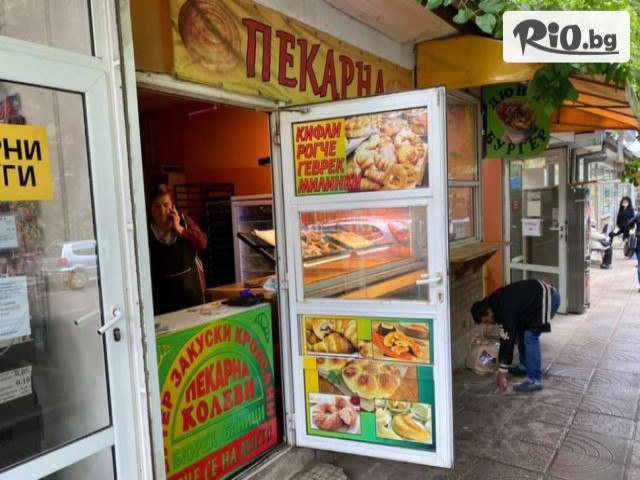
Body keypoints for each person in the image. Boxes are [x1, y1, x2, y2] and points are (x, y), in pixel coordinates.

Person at [470, 279, 561, 392]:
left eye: (486, 321)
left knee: (530, 337)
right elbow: (507, 335)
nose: (488, 324)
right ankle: (524, 366)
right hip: (536, 299)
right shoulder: (494, 304)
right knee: (521, 332)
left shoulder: (503, 308)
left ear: (488, 312)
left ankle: (535, 380)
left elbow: (507, 340)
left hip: (547, 297)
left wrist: (502, 373)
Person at [148, 184, 208, 315]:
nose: (162, 211)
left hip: (192, 293)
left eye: (165, 205)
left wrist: (180, 230)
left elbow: (202, 243)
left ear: (172, 206)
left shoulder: (184, 221)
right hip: (164, 297)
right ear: (150, 209)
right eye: (156, 206)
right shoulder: (147, 231)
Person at [602, 196, 635, 268]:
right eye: (624, 201)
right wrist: (617, 225)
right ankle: (608, 248)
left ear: (629, 202)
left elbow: (633, 219)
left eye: (626, 202)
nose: (625, 203)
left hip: (628, 228)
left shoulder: (631, 210)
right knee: (611, 234)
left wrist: (632, 230)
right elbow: (618, 218)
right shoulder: (621, 209)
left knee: (627, 241)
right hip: (620, 227)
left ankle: (628, 255)